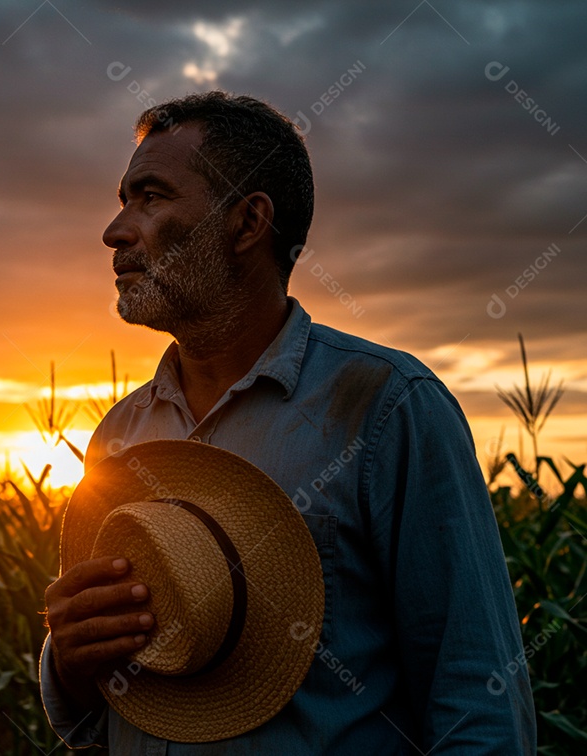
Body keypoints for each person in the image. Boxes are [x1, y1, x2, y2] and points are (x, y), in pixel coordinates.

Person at [40, 91, 535, 753]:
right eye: (123, 199)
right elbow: (106, 718)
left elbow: (479, 703)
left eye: (150, 197)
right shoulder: (118, 436)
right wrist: (70, 665)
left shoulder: (385, 407)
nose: (115, 230)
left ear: (248, 222)